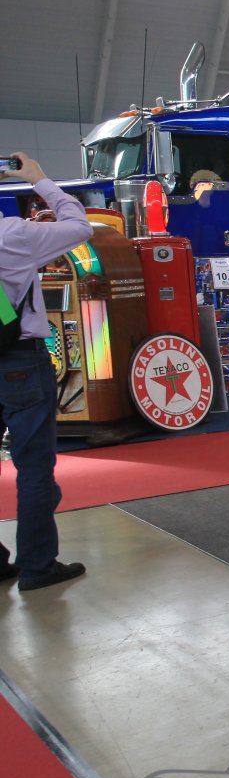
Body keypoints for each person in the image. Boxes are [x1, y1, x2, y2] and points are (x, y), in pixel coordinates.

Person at [0, 152, 91, 592]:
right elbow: (80, 227)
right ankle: (38, 565)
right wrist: (39, 179)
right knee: (34, 467)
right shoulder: (12, 234)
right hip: (18, 360)